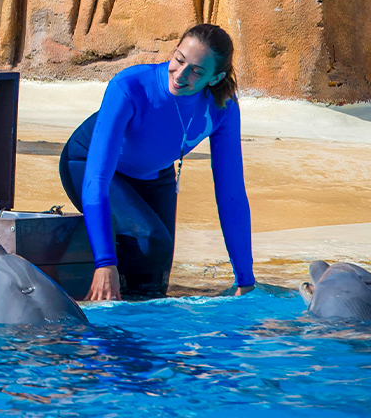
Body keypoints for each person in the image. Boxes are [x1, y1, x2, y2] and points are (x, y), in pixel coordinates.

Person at [57, 23, 254, 301]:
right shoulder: (130, 86)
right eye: (179, 60)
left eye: (197, 71)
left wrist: (244, 279)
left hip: (155, 175)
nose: (181, 74)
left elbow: (231, 194)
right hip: (88, 164)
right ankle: (90, 269)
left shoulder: (222, 107)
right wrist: (104, 263)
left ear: (215, 77)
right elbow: (97, 178)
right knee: (151, 242)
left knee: (155, 276)